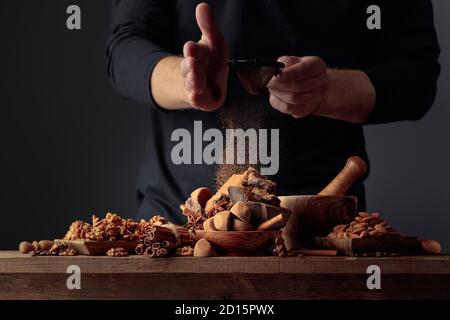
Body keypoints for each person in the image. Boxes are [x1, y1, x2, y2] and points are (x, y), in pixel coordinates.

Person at [106, 0, 440, 223]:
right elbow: (124, 51)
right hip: (177, 223)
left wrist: (327, 90)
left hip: (320, 232)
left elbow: (417, 76)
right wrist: (187, 80)